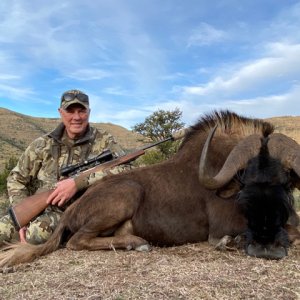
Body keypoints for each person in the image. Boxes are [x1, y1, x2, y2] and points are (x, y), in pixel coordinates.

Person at [0, 89, 130, 246]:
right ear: (60, 112)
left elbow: (127, 169)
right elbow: (16, 179)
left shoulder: (105, 141)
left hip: (74, 213)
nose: (76, 117)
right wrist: (22, 213)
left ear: (89, 112)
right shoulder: (43, 144)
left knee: (33, 237)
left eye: (82, 111)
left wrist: (78, 183)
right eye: (70, 111)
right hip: (36, 208)